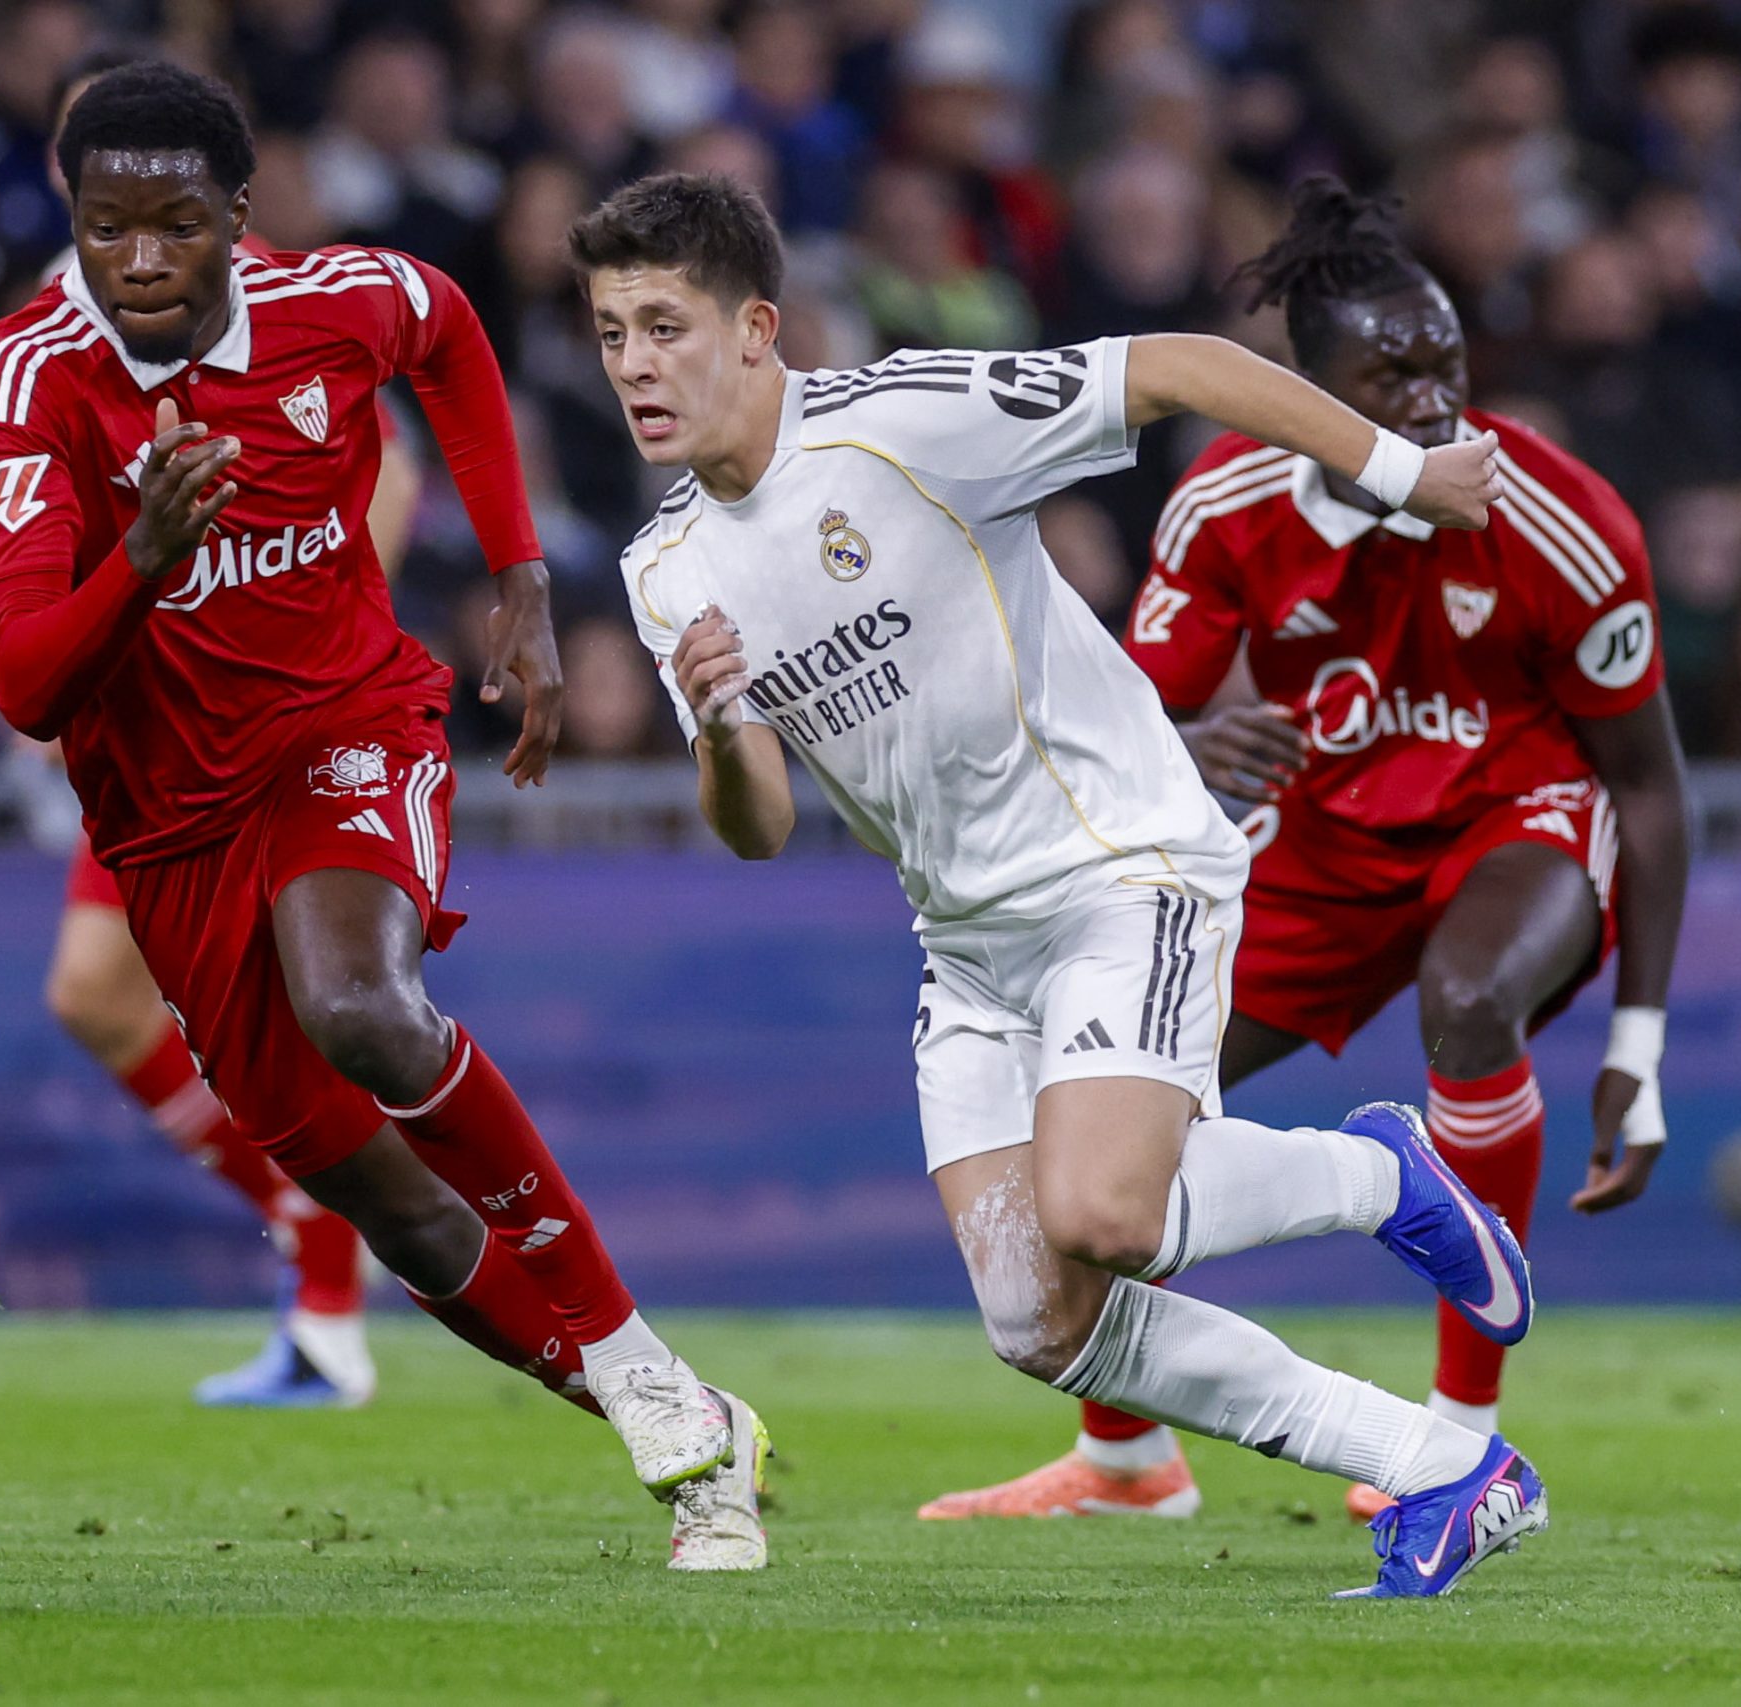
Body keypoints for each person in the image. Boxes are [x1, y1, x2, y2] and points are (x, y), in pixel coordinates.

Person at [580, 170, 1543, 1599]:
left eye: (664, 325)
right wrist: (724, 727)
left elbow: (1186, 366)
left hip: (1118, 869)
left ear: (757, 328)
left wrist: (1400, 475)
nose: (636, 365)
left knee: (1100, 1215)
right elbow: (757, 826)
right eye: (610, 335)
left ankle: (1372, 1175)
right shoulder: (665, 568)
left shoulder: (906, 423)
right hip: (966, 947)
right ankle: (1445, 1468)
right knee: (1039, 1317)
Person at [0, 63, 767, 1570]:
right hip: (168, 819)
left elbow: (450, 331)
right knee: (385, 1203)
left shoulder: (337, 301)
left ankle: (633, 1350)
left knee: (362, 1006)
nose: (138, 261)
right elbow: (20, 685)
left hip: (343, 721)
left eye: (176, 227)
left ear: (237, 220)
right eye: (105, 226)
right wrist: (136, 557)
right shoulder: (22, 384)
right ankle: (679, 1416)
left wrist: (515, 574)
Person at [923, 179, 1689, 1527]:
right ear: (1308, 389)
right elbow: (1132, 705)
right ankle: (1126, 1463)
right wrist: (1190, 733)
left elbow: (1651, 786)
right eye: (1385, 374)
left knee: (1467, 1001)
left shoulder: (1560, 518)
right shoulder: (1226, 509)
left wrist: (1637, 1052)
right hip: (1317, 842)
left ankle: (1459, 1434)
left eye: (1444, 362)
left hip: (1513, 817)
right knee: (1117, 1109)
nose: (1429, 399)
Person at [31, 53, 407, 1411]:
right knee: (95, 994)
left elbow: (387, 474)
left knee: (296, 1008)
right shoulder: (49, 327)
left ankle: (333, 1288)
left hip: (267, 704)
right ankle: (325, 1229)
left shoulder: (284, 298)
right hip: (140, 723)